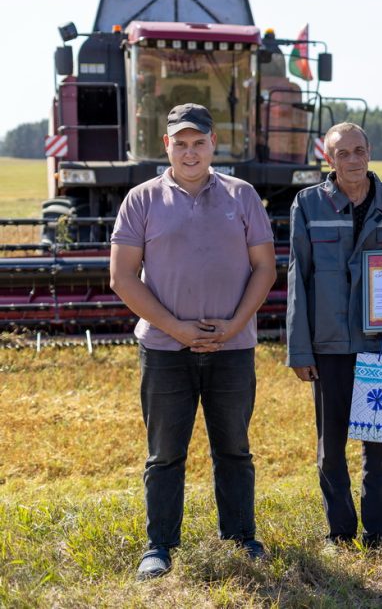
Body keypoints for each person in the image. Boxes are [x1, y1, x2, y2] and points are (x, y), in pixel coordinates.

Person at [110, 103, 277, 580]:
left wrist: (233, 324)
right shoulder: (141, 200)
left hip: (233, 346)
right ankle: (159, 545)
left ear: (212, 145)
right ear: (166, 145)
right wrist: (175, 328)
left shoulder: (241, 195)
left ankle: (241, 536)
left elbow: (264, 267)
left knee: (234, 448)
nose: (189, 152)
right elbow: (123, 277)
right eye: (180, 143)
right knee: (165, 452)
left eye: (198, 142)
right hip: (165, 350)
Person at [286, 122, 382, 548]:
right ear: (328, 158)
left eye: (358, 150)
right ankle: (340, 530)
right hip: (328, 344)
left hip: (380, 344)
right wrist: (299, 348)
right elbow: (298, 275)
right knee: (330, 448)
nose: (352, 160)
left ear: (369, 152)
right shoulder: (308, 204)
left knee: (378, 447)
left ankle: (380, 531)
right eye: (342, 153)